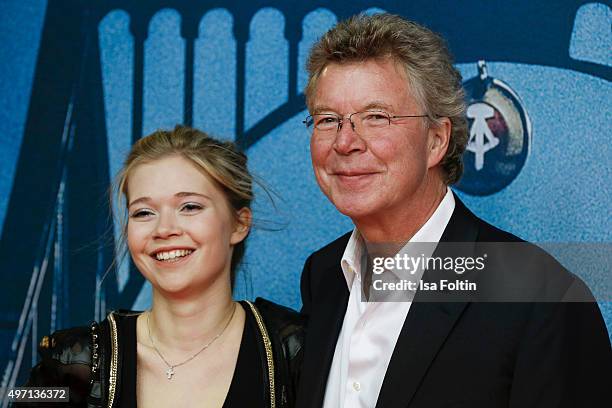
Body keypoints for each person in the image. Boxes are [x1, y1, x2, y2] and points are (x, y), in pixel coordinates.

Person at [296, 13, 611, 408]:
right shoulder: (322, 276)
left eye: (375, 117)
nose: (345, 142)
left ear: (436, 140)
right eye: (328, 120)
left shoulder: (541, 299)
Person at [26, 126, 305, 407]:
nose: (164, 229)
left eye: (190, 207)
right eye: (143, 212)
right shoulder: (66, 361)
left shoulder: (295, 349)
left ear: (239, 223)